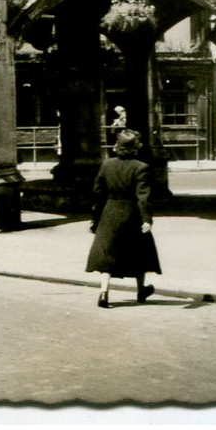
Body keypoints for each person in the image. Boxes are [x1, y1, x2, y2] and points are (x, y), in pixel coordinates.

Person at [86, 129, 161, 307]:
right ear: (136, 147)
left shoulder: (106, 165)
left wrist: (95, 218)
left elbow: (98, 193)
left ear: (117, 146)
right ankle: (141, 290)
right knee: (139, 252)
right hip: (131, 213)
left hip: (109, 213)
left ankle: (103, 293)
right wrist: (147, 219)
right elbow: (143, 197)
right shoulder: (141, 167)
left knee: (108, 254)